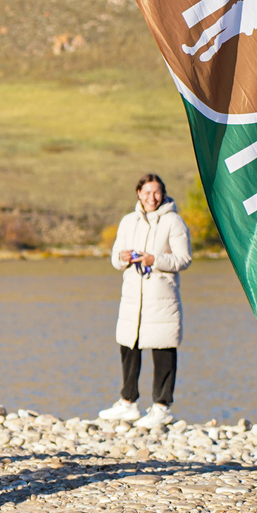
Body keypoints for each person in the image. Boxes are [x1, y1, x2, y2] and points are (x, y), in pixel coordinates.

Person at [99, 173, 192, 429]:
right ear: (138, 193)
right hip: (132, 296)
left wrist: (156, 260)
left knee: (163, 349)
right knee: (129, 346)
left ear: (163, 194)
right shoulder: (128, 222)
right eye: (147, 192)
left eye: (157, 192)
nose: (152, 198)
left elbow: (184, 259)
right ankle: (128, 403)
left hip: (161, 296)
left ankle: (162, 407)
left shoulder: (174, 222)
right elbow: (115, 260)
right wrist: (122, 256)